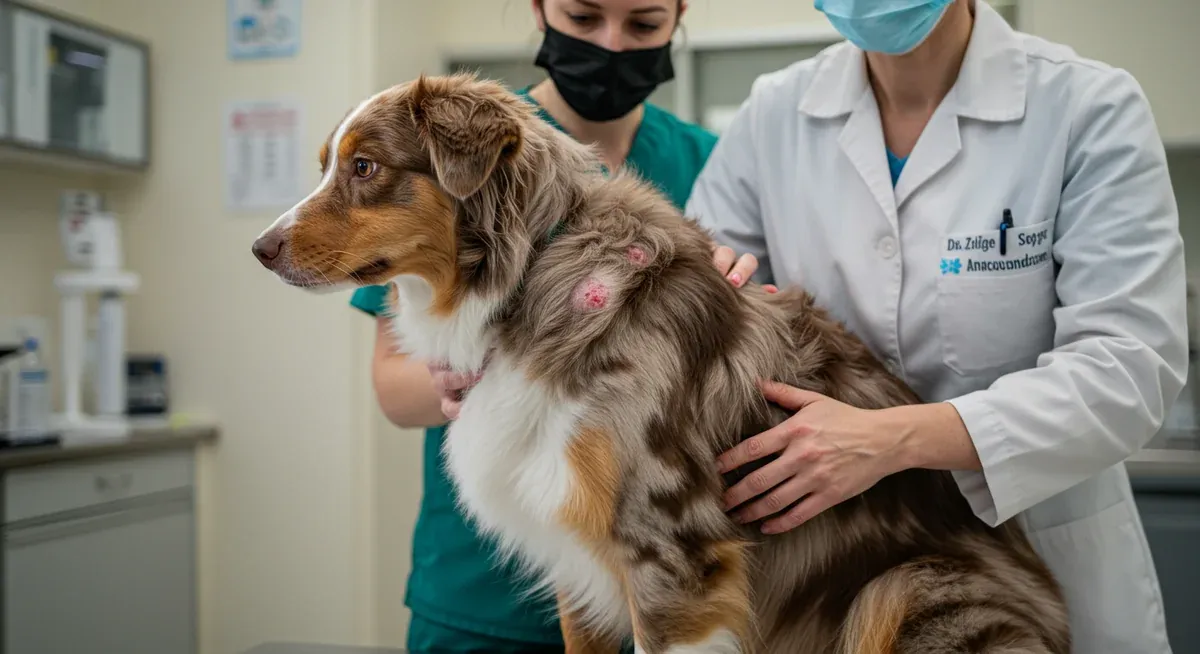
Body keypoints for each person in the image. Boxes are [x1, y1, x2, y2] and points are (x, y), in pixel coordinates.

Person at [688, 0, 1187, 652]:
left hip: (1037, 559)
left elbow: (1129, 369)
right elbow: (703, 319)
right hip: (834, 584)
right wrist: (712, 290)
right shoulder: (773, 116)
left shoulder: (1086, 107)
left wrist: (889, 439)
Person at [349, 1, 718, 651]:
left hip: (657, 571)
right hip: (483, 585)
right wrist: (499, 368)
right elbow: (394, 391)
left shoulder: (710, 166)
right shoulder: (456, 148)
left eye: (643, 24)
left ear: (680, 16)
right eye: (583, 17)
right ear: (541, 9)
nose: (611, 44)